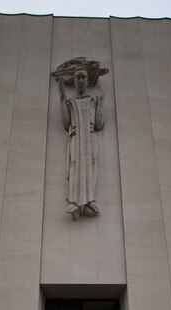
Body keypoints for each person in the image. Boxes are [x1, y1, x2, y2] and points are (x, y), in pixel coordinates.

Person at [58, 66, 104, 220]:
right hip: (76, 136)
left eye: (84, 77)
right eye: (78, 77)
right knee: (74, 163)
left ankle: (89, 200)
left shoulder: (92, 101)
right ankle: (75, 202)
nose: (81, 80)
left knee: (91, 163)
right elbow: (66, 123)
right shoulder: (71, 103)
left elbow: (98, 124)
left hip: (90, 135)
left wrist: (101, 104)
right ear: (74, 81)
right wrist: (61, 98)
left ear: (88, 80)